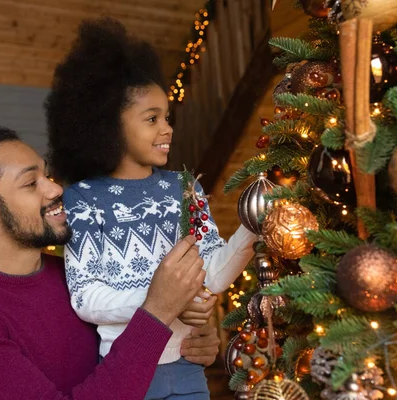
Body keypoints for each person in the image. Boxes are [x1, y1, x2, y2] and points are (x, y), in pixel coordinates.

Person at [0, 125, 221, 400]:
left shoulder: (76, 275)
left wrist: (180, 346)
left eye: (47, 174)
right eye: (31, 183)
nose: (55, 189)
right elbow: (142, 333)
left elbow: (124, 353)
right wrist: (157, 313)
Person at [46, 18, 258, 399]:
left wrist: (255, 226)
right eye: (151, 118)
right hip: (126, 372)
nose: (168, 128)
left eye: (167, 117)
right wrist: (164, 301)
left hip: (191, 370)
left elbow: (211, 269)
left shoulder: (184, 187)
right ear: (109, 125)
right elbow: (86, 298)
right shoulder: (80, 200)